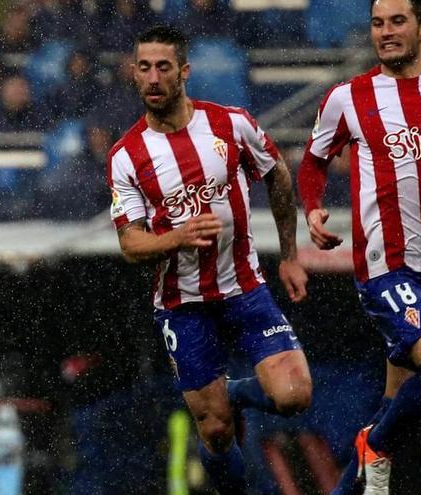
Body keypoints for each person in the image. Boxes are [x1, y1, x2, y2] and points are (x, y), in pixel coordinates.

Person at [297, 1, 421, 493]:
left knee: (396, 407)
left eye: (397, 22)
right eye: (378, 24)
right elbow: (314, 160)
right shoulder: (349, 96)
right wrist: (313, 207)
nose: (385, 32)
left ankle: (367, 453)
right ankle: (375, 443)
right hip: (385, 268)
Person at [107, 25, 313, 494]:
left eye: (163, 67)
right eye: (144, 68)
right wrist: (175, 237)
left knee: (295, 398)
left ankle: (235, 392)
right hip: (183, 304)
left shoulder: (232, 123)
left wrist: (289, 255)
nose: (153, 77)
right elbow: (130, 243)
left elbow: (278, 176)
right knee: (216, 431)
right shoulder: (126, 155)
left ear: (184, 71)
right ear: (134, 75)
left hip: (245, 288)